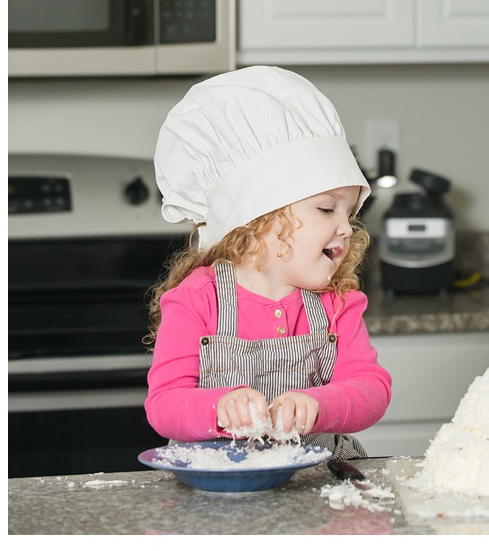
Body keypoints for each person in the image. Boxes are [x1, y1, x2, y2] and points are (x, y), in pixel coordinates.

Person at [144, 66, 392, 459]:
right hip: (220, 498)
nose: (346, 227)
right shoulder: (198, 298)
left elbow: (372, 388)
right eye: (327, 208)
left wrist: (321, 405)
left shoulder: (337, 301)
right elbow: (164, 404)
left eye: (349, 212)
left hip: (320, 486)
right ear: (261, 219)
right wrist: (220, 408)